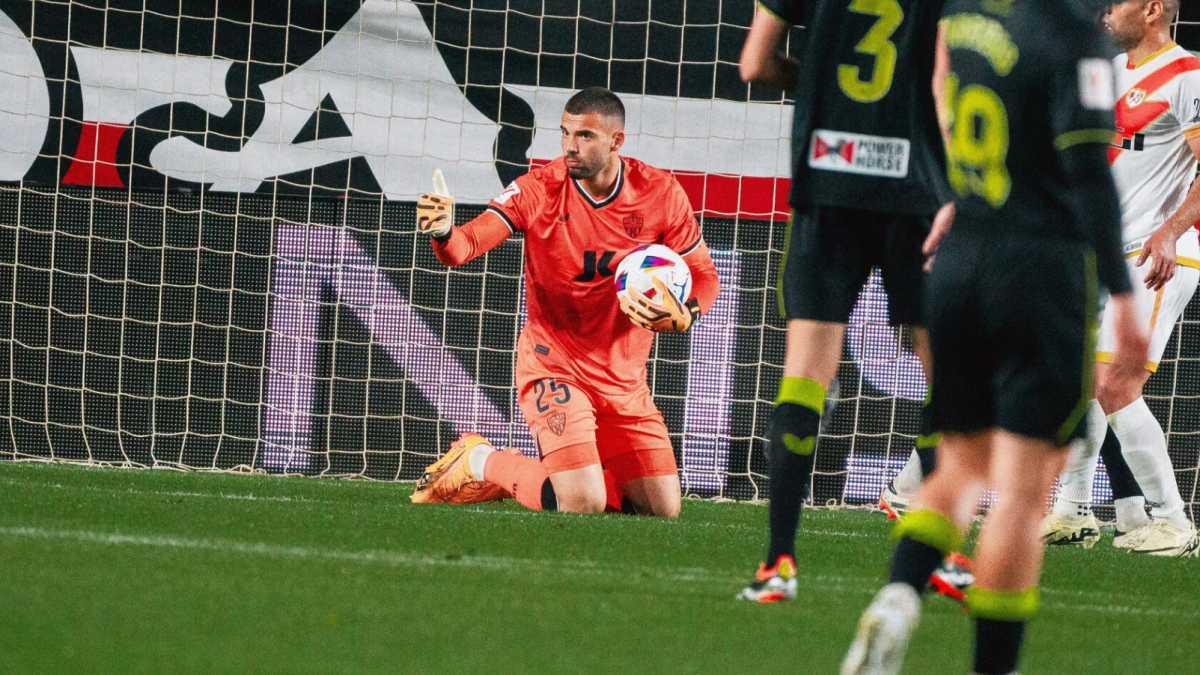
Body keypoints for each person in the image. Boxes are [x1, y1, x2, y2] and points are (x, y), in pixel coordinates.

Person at [842, 1, 1149, 674]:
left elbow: (938, 93)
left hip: (959, 262)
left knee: (956, 466)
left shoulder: (965, 16)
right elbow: (1090, 175)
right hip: (1041, 274)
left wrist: (965, 191)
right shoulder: (1074, 38)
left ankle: (898, 595)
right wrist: (1126, 297)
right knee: (1020, 489)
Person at [408, 87, 721, 517]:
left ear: (617, 141)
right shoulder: (539, 189)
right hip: (554, 364)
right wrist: (443, 232)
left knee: (663, 510)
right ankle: (478, 459)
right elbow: (464, 247)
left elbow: (704, 274)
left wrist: (688, 314)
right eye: (565, 133)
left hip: (624, 380)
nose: (570, 147)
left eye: (585, 136)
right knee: (581, 503)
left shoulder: (660, 193)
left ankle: (575, 473)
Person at [737, 0, 954, 602]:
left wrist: (814, 79)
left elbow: (754, 65)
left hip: (828, 182)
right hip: (916, 191)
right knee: (945, 374)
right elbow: (946, 78)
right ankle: (945, 552)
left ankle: (778, 562)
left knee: (805, 377)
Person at [1042, 0, 1199, 557]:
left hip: (1156, 257)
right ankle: (1072, 511)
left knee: (1114, 386)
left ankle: (1175, 522)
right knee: (1081, 382)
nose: (1106, 11)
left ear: (1153, 9)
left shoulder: (1188, 75)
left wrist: (1172, 231)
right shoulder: (1106, 73)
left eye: (1118, 2)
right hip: (1102, 253)